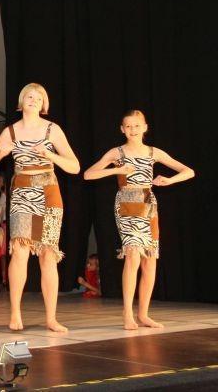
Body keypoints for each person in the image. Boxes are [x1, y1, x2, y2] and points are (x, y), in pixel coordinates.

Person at [0, 83, 80, 332]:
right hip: (23, 193)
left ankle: (51, 318)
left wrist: (50, 156)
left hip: (49, 191)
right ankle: (15, 313)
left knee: (48, 254)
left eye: (39, 97)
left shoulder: (52, 129)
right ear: (21, 101)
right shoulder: (11, 131)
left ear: (44, 104)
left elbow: (74, 166)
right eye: (29, 96)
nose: (33, 99)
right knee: (20, 251)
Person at [84, 110, 194, 329]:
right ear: (122, 129)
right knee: (133, 255)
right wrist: (116, 171)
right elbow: (88, 174)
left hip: (148, 203)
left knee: (150, 260)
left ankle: (143, 314)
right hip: (127, 201)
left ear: (145, 128)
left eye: (136, 125)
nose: (132, 130)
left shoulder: (153, 152)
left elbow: (188, 171)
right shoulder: (117, 152)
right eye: (128, 126)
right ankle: (127, 313)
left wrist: (170, 180)